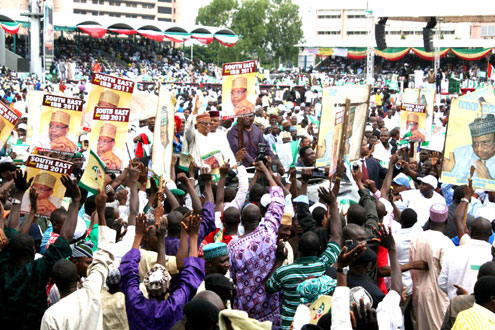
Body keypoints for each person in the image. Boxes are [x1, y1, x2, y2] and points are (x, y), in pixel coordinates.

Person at [0, 173, 80, 330]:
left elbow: (12, 229)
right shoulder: (36, 271)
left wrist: (19, 194)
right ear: (33, 251)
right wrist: (76, 201)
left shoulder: (2, 262)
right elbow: (65, 237)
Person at [266, 187, 342, 330]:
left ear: (298, 249)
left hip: (290, 325)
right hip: (315, 324)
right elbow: (336, 236)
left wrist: (278, 261)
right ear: (320, 249)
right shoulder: (324, 263)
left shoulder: (284, 272)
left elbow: (269, 287)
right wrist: (333, 204)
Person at [40, 189, 115, 330]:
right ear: (76, 277)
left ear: (53, 282)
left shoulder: (51, 315)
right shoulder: (92, 293)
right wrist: (101, 212)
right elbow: (104, 255)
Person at [119, 212, 204, 330]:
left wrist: (138, 236)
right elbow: (191, 276)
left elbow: (128, 270)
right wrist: (193, 237)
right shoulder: (175, 305)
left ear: (146, 287)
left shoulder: (135, 302)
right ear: (169, 286)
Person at [228, 161, 284, 327]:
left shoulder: (233, 247)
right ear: (260, 218)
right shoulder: (269, 233)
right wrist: (266, 171)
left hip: (245, 314)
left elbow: (231, 278)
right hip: (270, 310)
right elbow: (278, 200)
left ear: (241, 222)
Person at [409, 203, 454, 330]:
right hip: (438, 296)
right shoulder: (446, 243)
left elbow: (413, 270)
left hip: (419, 292)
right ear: (446, 222)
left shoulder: (417, 238)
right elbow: (447, 275)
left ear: (429, 220)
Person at [438, 216, 492, 300]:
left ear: (469, 231)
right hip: (484, 309)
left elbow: (442, 282)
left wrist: (454, 295)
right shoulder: (492, 254)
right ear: (490, 234)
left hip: (456, 306)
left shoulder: (452, 252)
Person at [443, 114, 495, 180]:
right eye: (475, 143)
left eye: (485, 143)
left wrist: (490, 182)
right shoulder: (459, 153)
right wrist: (446, 173)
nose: (479, 149)